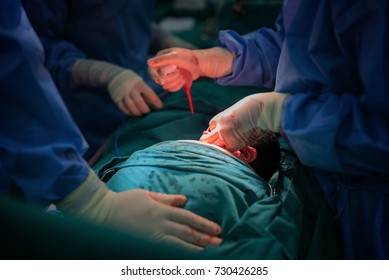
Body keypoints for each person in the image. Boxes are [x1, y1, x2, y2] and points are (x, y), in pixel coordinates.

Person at [147, 0, 389, 259]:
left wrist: (279, 113)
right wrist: (225, 60)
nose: (202, 138)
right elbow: (301, 45)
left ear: (245, 153)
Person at [0, 0, 222, 252]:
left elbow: (119, 17)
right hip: (70, 110)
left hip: (129, 101)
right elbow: (15, 68)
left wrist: (162, 38)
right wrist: (90, 201)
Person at [20, 0, 197, 161]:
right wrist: (105, 74)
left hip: (137, 78)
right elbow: (34, 46)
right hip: (77, 106)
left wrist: (165, 40)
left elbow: (123, 18)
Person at [99, 133, 294, 259]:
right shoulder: (262, 195)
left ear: (244, 152)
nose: (204, 133)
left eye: (212, 128)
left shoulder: (255, 187)